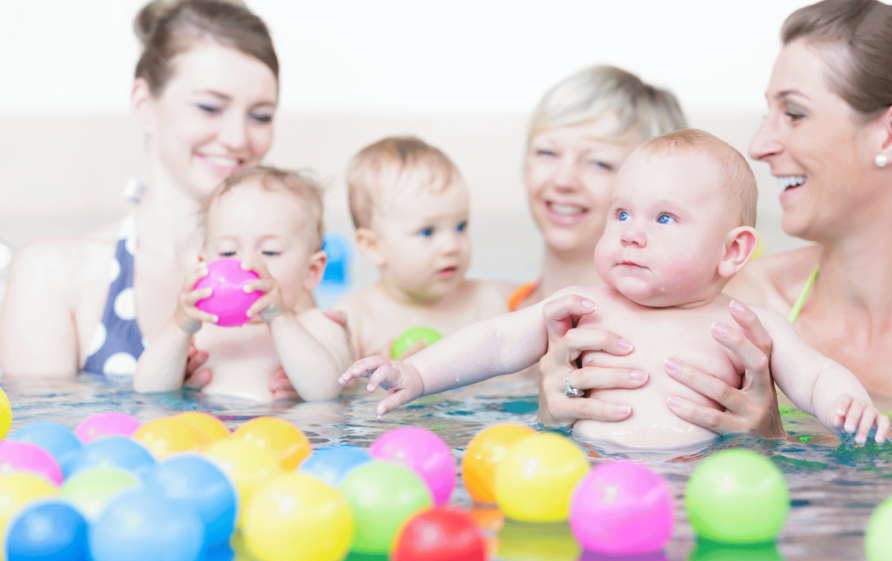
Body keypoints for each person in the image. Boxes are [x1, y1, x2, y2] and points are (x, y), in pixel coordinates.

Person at [536, 0, 892, 437]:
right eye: (767, 113)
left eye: (793, 113)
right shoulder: (721, 300)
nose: (759, 145)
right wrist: (561, 407)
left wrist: (774, 440)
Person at [343, 130, 890, 450]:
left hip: (703, 484)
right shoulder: (585, 307)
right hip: (590, 476)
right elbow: (494, 341)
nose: (631, 231)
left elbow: (815, 374)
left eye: (665, 218)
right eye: (622, 212)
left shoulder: (752, 326)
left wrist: (849, 406)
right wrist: (417, 374)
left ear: (732, 251)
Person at [0, 0, 285, 386]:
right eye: (209, 107)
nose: (237, 138)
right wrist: (165, 398)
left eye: (261, 116)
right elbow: (41, 438)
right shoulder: (55, 272)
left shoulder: (279, 271)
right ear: (144, 104)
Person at [134, 167, 349, 402]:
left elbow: (324, 392)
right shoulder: (200, 332)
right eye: (227, 252)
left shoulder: (317, 326)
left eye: (270, 251)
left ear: (312, 271)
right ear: (203, 264)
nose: (245, 265)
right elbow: (148, 390)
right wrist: (179, 327)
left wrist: (279, 317)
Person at [508, 65, 688, 312]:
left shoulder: (666, 335)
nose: (563, 180)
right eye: (547, 152)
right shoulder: (488, 309)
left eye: (599, 163)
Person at [331, 137, 516, 360]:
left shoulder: (491, 301)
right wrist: (372, 385)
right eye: (427, 231)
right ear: (373, 247)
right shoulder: (355, 321)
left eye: (461, 226)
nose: (452, 246)